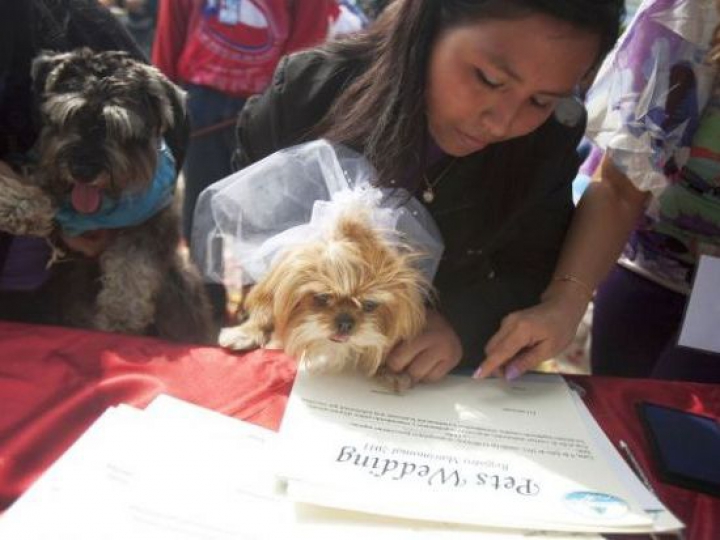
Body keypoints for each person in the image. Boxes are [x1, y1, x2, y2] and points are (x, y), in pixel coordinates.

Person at [229, 0, 624, 383]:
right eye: (489, 79)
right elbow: (251, 224)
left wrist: (461, 324)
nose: (501, 123)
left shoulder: (546, 140)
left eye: (541, 100)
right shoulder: (308, 93)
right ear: (429, 21)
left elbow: (534, 264)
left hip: (441, 381)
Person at [478, 0, 720, 384]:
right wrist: (565, 301)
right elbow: (620, 185)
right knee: (621, 416)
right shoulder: (691, 12)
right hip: (648, 260)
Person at [0, 0, 187, 324]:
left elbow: (179, 129)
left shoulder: (74, 19)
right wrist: (58, 227)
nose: (86, 162)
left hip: (57, 283)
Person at [152, 0, 333, 245]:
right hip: (202, 100)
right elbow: (171, 27)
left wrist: (288, 96)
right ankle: (204, 283)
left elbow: (309, 36)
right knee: (200, 214)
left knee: (268, 222)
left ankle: (260, 281)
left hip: (270, 101)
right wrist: (161, 100)